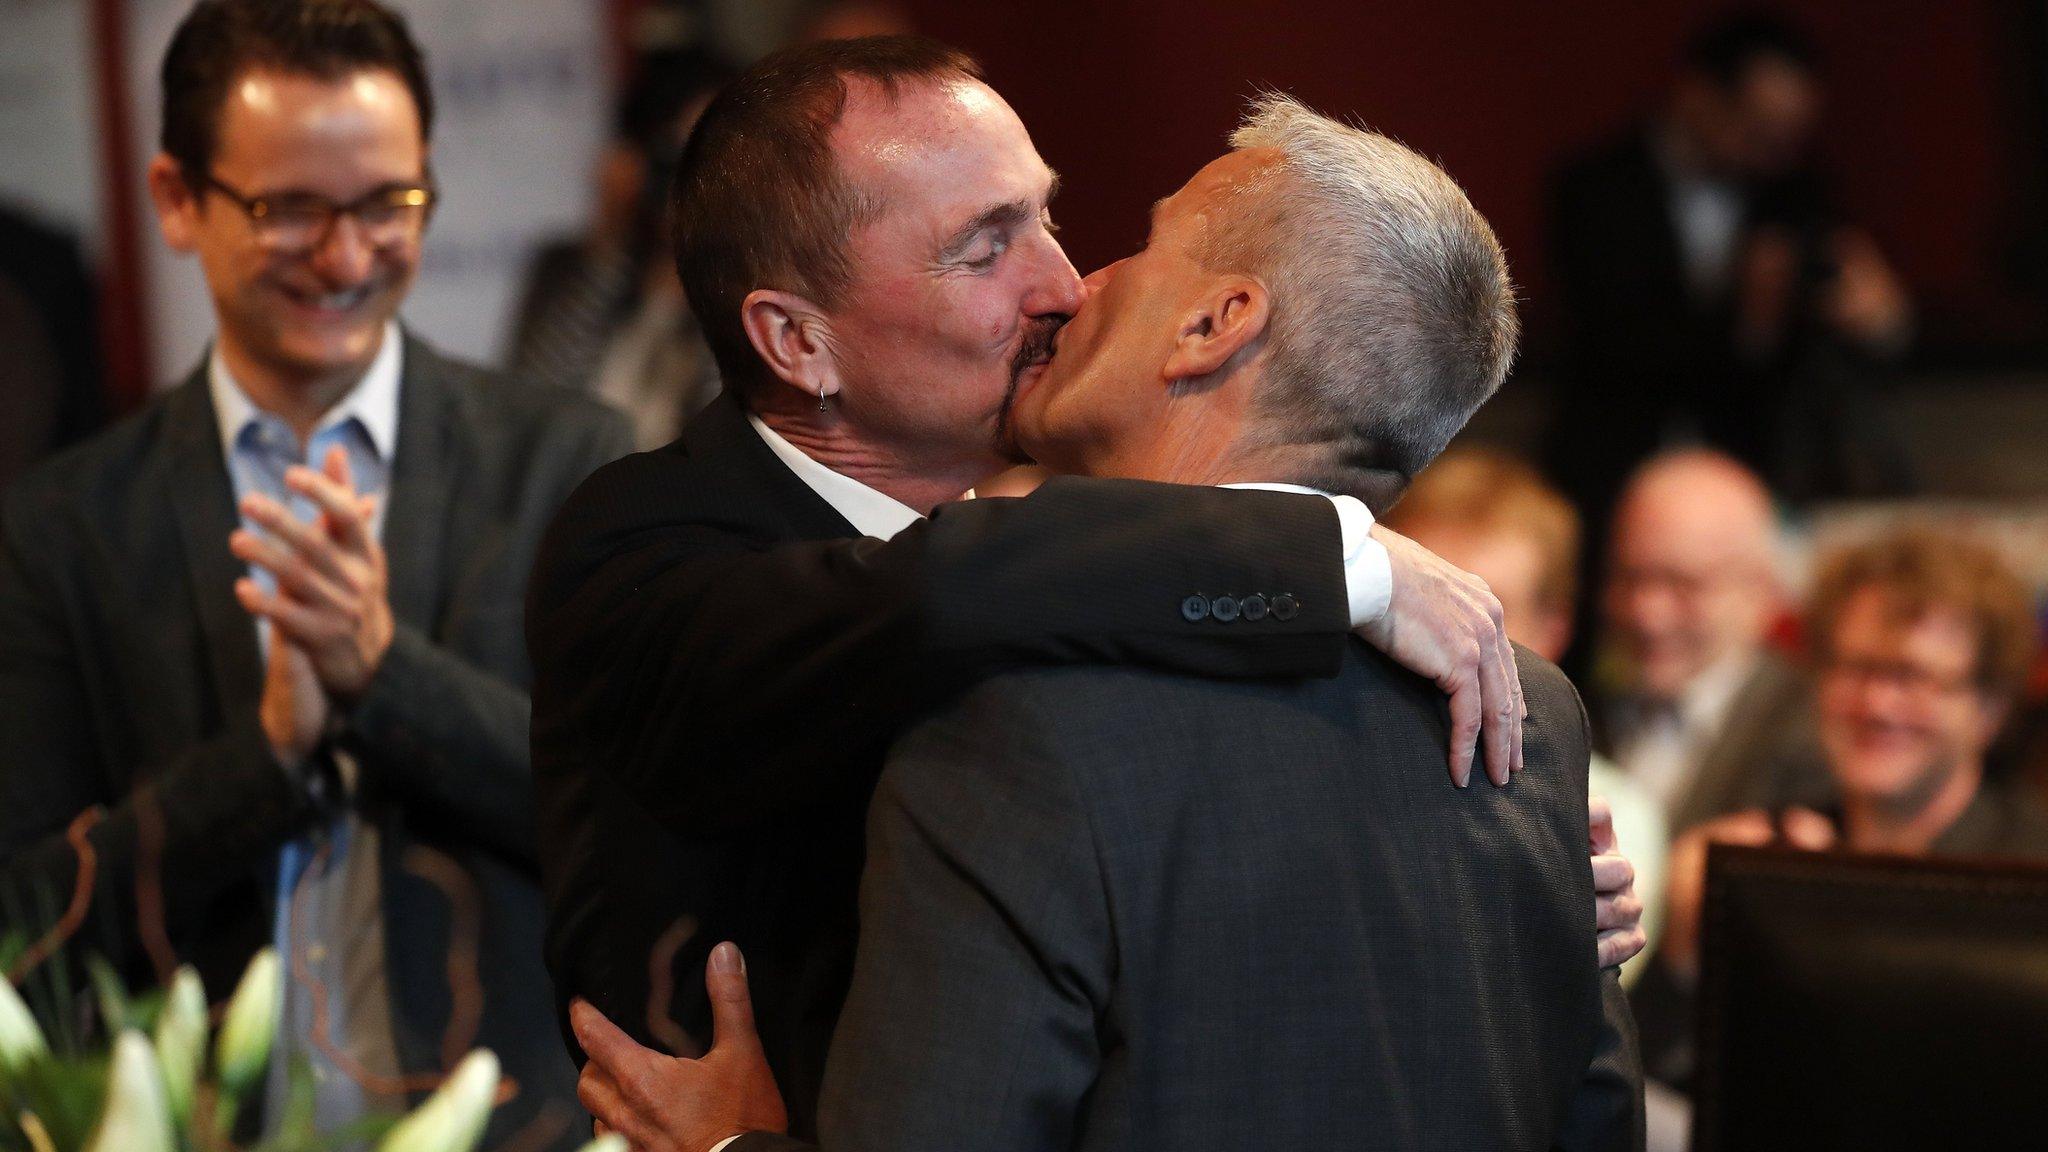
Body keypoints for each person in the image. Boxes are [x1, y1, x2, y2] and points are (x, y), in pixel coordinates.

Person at [529, 34, 1640, 1146]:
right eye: (982, 248)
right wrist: (1327, 555)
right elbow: (926, 603)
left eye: (1045, 216)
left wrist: (1489, 893)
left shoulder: (1473, 714)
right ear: (795, 340)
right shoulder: (648, 551)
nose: (1063, 284)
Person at [0, 2, 630, 1147]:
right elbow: (27, 919)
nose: (346, 256)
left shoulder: (566, 461)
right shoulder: (60, 529)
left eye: (387, 203)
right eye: (290, 209)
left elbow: (637, 830)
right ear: (177, 201)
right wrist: (266, 757)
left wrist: (384, 678)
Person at [1630, 528, 2048, 1144]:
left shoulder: (2032, 876)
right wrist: (1684, 952)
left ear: (1988, 707)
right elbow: (1654, 1089)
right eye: (1855, 667)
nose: (1877, 703)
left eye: (1912, 676)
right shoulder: (1763, 856)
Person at [1544, 12, 1914, 668]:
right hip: (1614, 462)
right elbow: (1619, 341)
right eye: (1759, 124)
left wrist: (1881, 319)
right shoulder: (1597, 184)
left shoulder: (1798, 193)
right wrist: (1742, 317)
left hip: (1752, 466)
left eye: (1790, 133)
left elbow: (1849, 341)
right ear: (1697, 93)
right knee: (1603, 648)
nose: (1774, 148)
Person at [1387, 447, 1668, 980]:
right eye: (1429, 604)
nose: (1455, 641)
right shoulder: (1324, 753)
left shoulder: (1618, 813)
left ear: (1556, 629)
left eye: (1488, 613)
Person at [1597, 449, 1831, 836]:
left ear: (1760, 590)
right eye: (1629, 578)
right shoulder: (1583, 710)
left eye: (1684, 584)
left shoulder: (1814, 736)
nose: (1647, 613)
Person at [507, 50, 733, 449]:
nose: (693, 184)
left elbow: (732, 426)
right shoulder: (567, 271)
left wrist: (726, 264)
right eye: (675, 158)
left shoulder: (753, 292)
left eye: (713, 160)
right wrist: (608, 247)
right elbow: (533, 409)